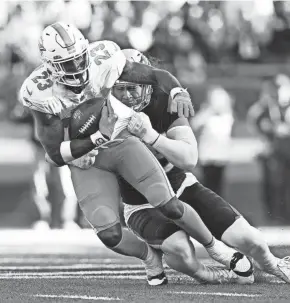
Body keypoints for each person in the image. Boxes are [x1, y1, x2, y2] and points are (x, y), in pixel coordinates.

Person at [19, 22, 240, 286]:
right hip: (86, 159)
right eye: (68, 64)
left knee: (167, 202)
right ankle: (150, 258)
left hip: (120, 141)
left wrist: (177, 90)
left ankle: (215, 248)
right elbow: (54, 154)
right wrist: (96, 136)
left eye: (80, 58)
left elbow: (154, 75)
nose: (78, 68)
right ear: (51, 65)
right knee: (109, 233)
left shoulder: (103, 57)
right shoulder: (38, 91)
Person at [110, 49, 290, 284]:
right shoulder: (105, 116)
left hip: (180, 187)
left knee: (251, 240)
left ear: (148, 85)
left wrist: (151, 136)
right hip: (141, 203)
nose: (126, 95)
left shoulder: (164, 102)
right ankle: (212, 275)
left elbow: (188, 159)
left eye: (132, 87)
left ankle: (274, 265)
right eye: (119, 88)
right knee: (179, 249)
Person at [192, 86, 234, 197]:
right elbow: (195, 124)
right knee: (208, 186)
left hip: (221, 156)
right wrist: (207, 111)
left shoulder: (226, 116)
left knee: (218, 186)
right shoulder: (206, 114)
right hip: (207, 156)